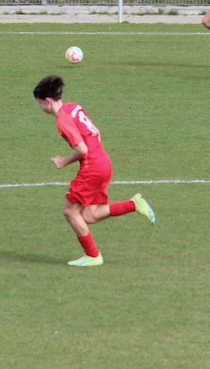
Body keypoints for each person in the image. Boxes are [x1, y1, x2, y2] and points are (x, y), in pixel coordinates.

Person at [33, 74, 155, 267]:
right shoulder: (73, 107)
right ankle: (134, 204)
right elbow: (96, 131)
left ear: (47, 101)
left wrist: (63, 161)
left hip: (92, 168)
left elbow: (82, 149)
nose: (40, 108)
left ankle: (92, 255)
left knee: (69, 212)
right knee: (90, 215)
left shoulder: (62, 120)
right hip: (104, 162)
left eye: (40, 103)